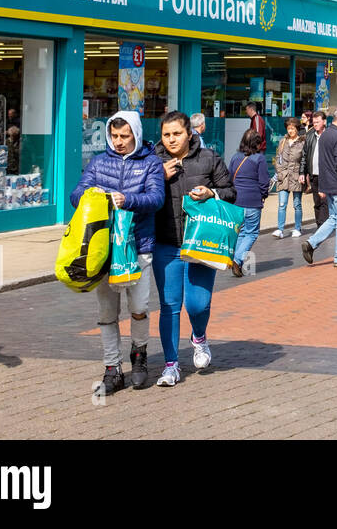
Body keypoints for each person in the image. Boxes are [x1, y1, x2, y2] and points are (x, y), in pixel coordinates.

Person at [68, 111, 165, 393]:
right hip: (105, 248)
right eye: (114, 135)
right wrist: (91, 194)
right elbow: (76, 195)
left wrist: (129, 199)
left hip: (138, 246)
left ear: (136, 134)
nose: (119, 141)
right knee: (108, 311)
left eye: (125, 136)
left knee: (139, 308)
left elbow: (156, 198)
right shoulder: (99, 162)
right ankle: (112, 367)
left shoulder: (150, 163)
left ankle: (139, 356)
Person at [152, 111, 236, 388]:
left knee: (198, 304)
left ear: (190, 133)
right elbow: (139, 195)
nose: (172, 139)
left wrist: (211, 193)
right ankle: (171, 365)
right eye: (167, 134)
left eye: (177, 133)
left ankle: (199, 336)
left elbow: (231, 192)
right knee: (169, 306)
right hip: (166, 244)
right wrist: (157, 178)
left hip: (202, 244)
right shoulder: (153, 161)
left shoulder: (209, 158)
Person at [300, 106, 337, 265]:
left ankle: (311, 243)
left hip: (329, 183)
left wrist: (323, 185)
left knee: (333, 218)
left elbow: (322, 163)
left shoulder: (325, 136)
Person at [227, 129, 269, 277]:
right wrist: (263, 195)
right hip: (253, 200)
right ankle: (238, 260)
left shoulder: (235, 157)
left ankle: (237, 260)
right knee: (252, 233)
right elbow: (264, 181)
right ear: (256, 144)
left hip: (237, 200)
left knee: (242, 232)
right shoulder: (259, 159)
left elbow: (230, 177)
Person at [273, 117, 305, 238]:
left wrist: (302, 174)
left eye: (292, 128)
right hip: (284, 176)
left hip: (296, 176)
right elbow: (278, 158)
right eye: (288, 128)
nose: (290, 131)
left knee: (297, 204)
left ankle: (297, 228)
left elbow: (304, 160)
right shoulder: (283, 141)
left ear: (297, 129)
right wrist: (280, 172)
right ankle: (280, 229)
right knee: (282, 204)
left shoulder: (302, 142)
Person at [300, 111, 327, 228]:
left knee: (325, 202)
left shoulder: (329, 135)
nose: (315, 124)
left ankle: (325, 226)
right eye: (314, 122)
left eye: (318, 122)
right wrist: (302, 172)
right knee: (317, 202)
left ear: (324, 122)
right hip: (314, 175)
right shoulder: (310, 136)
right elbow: (304, 156)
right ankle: (319, 225)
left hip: (327, 175)